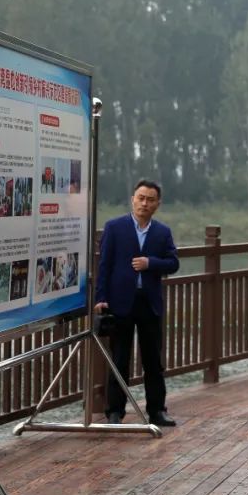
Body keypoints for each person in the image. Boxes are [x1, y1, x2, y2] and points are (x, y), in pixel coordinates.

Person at [95, 180, 179, 427]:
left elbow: (173, 263)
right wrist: (101, 298)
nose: (144, 203)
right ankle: (114, 411)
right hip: (120, 302)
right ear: (133, 199)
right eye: (141, 198)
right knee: (119, 359)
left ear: (157, 204)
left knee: (153, 360)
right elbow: (104, 265)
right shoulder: (114, 227)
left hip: (149, 303)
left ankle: (157, 410)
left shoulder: (162, 232)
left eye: (150, 199)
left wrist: (150, 263)